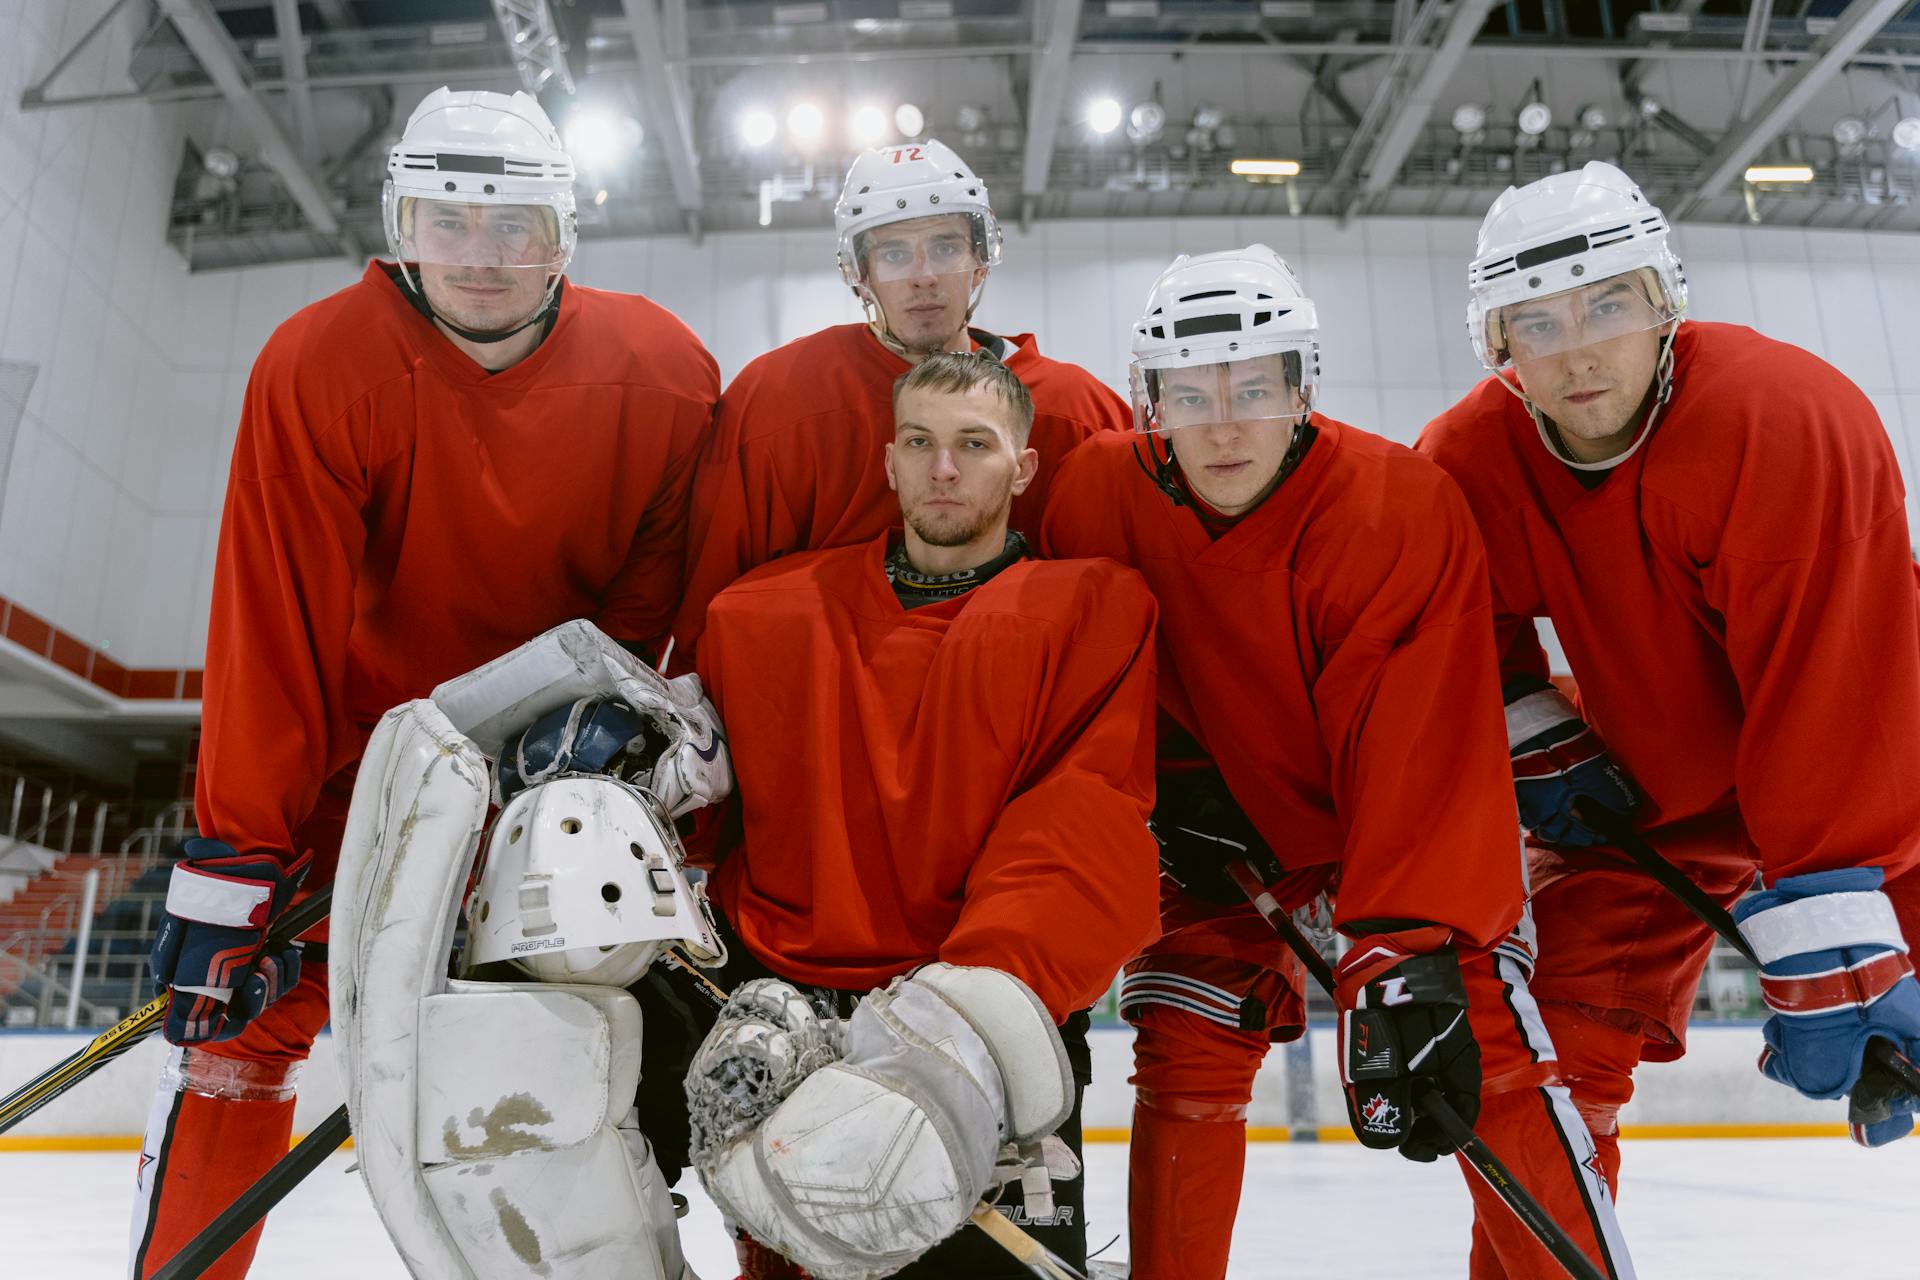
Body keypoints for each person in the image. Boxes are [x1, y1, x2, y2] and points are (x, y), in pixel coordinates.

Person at [131, 87, 719, 1279]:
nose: (482, 258)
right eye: (447, 221)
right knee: (249, 1028)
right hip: (358, 768)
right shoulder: (321, 363)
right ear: (400, 222)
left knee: (536, 1065)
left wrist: (585, 770)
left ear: (565, 238)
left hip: (548, 771)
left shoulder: (663, 371)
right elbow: (276, 618)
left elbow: (644, 617)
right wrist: (246, 849)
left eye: (515, 228)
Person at [1043, 246, 1632, 1279]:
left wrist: (1407, 942)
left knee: (1480, 1049)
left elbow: (1420, 732)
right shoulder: (1094, 495)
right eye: (1190, 393)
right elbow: (1088, 668)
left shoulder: (1397, 503)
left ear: (1302, 387)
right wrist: (1168, 800)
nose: (1222, 424)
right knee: (1185, 1028)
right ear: (1151, 401)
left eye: (1252, 386)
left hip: (1396, 829)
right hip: (1217, 831)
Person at [1417, 161, 1920, 1175]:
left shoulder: (1781, 416)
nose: (1579, 352)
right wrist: (1526, 717)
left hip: (1883, 778)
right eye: (1538, 323)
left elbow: (1844, 669)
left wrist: (1839, 907)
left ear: (1665, 302)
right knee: (1544, 1052)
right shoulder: (1467, 461)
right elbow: (1452, 626)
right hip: (1657, 794)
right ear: (1498, 342)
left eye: (1608, 304)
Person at [685, 350, 1161, 1278]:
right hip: (797, 1031)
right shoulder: (758, 617)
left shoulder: (1091, 610)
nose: (944, 469)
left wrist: (964, 1021)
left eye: (975, 445)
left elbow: (1082, 817)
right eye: (921, 443)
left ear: (1022, 468)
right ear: (889, 462)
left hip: (990, 1027)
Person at [672, 138, 1127, 659]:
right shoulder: (778, 400)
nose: (923, 275)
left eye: (946, 247)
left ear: (980, 260)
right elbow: (711, 618)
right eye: (893, 253)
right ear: (860, 275)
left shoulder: (1079, 412)